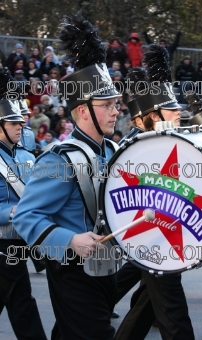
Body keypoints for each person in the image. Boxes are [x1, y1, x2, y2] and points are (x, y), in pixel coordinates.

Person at [13, 11, 121, 340]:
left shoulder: (113, 151)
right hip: (73, 271)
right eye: (107, 104)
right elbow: (27, 218)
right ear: (83, 110)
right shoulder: (58, 159)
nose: (117, 109)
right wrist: (71, 240)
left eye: (116, 102)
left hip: (108, 268)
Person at [114, 44, 195, 340]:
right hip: (151, 239)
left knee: (148, 303)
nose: (178, 113)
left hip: (165, 237)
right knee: (174, 314)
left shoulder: (174, 144)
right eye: (171, 108)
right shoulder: (137, 150)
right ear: (151, 115)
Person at [0, 67, 47, 339]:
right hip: (3, 243)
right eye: (14, 122)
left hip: (23, 240)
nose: (21, 126)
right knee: (22, 304)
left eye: (21, 122)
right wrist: (12, 211)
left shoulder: (27, 156)